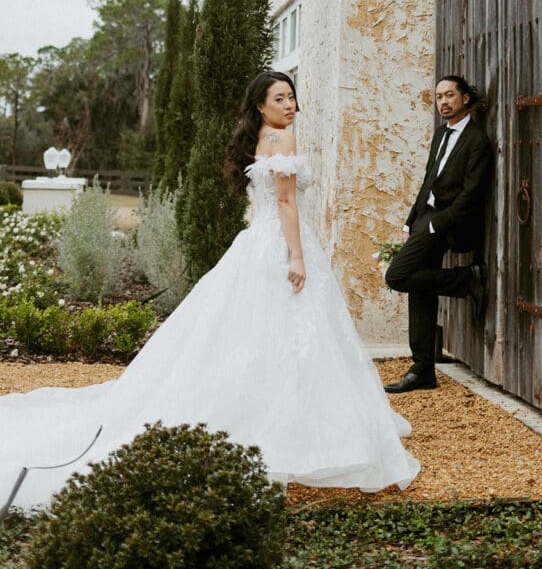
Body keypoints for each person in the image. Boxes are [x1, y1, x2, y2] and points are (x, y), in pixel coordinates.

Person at [0, 71, 418, 512]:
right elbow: (286, 203)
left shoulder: (257, 137)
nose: (290, 104)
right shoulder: (283, 140)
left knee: (255, 336)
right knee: (292, 331)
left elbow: (261, 204)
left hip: (257, 240)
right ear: (260, 104)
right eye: (280, 98)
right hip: (279, 244)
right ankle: (295, 428)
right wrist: (296, 256)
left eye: (292, 96)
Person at [384, 76, 492, 394]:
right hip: (425, 220)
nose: (443, 101)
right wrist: (410, 221)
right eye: (438, 97)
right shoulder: (440, 134)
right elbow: (428, 180)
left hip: (447, 223)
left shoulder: (477, 141)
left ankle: (466, 279)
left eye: (449, 95)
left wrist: (435, 225)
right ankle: (422, 370)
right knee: (420, 288)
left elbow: (471, 196)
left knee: (397, 276)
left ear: (466, 99)